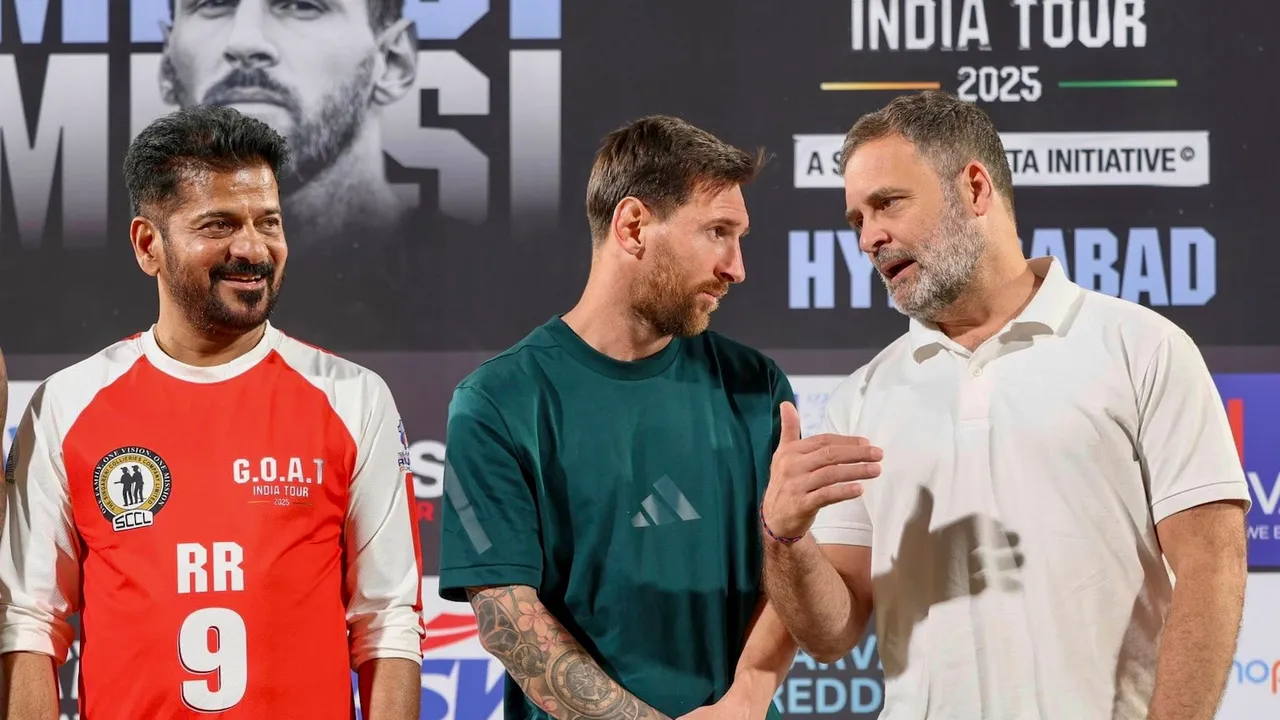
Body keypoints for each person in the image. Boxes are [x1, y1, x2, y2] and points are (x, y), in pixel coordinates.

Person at [759, 91, 1250, 720]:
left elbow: (1212, 566)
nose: (869, 238)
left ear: (974, 187)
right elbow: (833, 634)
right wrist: (786, 538)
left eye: (887, 204)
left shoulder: (1141, 349)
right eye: (856, 220)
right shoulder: (862, 395)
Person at [0, 106, 426, 719]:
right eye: (218, 224)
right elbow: (29, 621)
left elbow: (388, 623)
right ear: (149, 245)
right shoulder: (67, 404)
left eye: (269, 222)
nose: (252, 248)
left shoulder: (354, 397)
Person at [437, 116, 798, 719]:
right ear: (633, 226)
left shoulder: (757, 388)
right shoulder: (498, 402)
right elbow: (509, 620)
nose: (737, 268)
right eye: (717, 233)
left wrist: (746, 701)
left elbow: (787, 576)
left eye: (740, 238)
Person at [158, 0, 417, 243]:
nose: (243, 43)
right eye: (213, 3)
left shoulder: (453, 277)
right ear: (168, 65)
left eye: (301, 5)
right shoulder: (123, 280)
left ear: (392, 63)